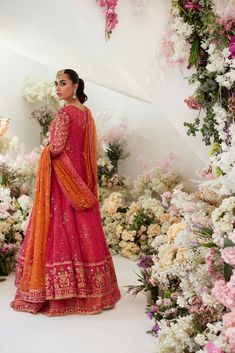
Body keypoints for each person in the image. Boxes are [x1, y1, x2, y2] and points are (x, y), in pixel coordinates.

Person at [10, 69, 121, 316]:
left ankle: (62, 295)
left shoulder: (64, 114)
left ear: (76, 85)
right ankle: (94, 292)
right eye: (56, 84)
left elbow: (57, 147)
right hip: (80, 176)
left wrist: (45, 152)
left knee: (60, 228)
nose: (58, 88)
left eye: (63, 83)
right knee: (84, 228)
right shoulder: (86, 114)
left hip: (62, 178)